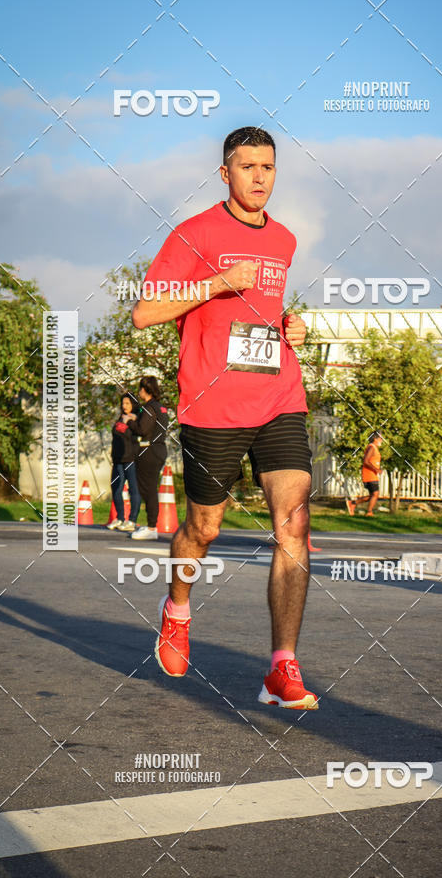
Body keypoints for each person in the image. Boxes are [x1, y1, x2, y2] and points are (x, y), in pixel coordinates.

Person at [132, 126, 318, 710]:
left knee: (293, 522)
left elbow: (260, 312)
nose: (259, 177)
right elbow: (144, 313)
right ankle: (177, 608)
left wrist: (290, 326)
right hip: (214, 405)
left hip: (279, 395)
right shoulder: (195, 234)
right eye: (247, 167)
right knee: (203, 529)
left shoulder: (285, 240)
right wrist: (214, 283)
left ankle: (281, 667)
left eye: (268, 167)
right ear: (225, 174)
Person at [126, 376, 168, 540]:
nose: (139, 392)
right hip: (159, 449)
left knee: (148, 490)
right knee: (150, 488)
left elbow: (143, 429)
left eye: (140, 389)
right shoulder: (161, 408)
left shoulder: (148, 408)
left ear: (145, 390)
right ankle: (151, 525)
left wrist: (130, 421)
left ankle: (151, 527)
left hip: (148, 451)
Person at [107, 392, 141, 532]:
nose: (124, 406)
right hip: (117, 459)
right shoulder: (120, 418)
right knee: (116, 488)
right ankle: (120, 518)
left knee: (133, 489)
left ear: (133, 404)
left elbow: (137, 434)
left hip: (130, 459)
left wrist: (131, 421)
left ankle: (132, 520)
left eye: (127, 403)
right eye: (123, 403)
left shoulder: (135, 419)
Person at [346, 432, 383, 516]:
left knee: (372, 495)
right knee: (375, 494)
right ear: (375, 439)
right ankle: (369, 512)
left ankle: (352, 503)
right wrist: (376, 469)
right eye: (380, 438)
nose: (382, 440)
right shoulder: (372, 447)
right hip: (369, 474)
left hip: (372, 474)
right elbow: (366, 461)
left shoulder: (374, 448)